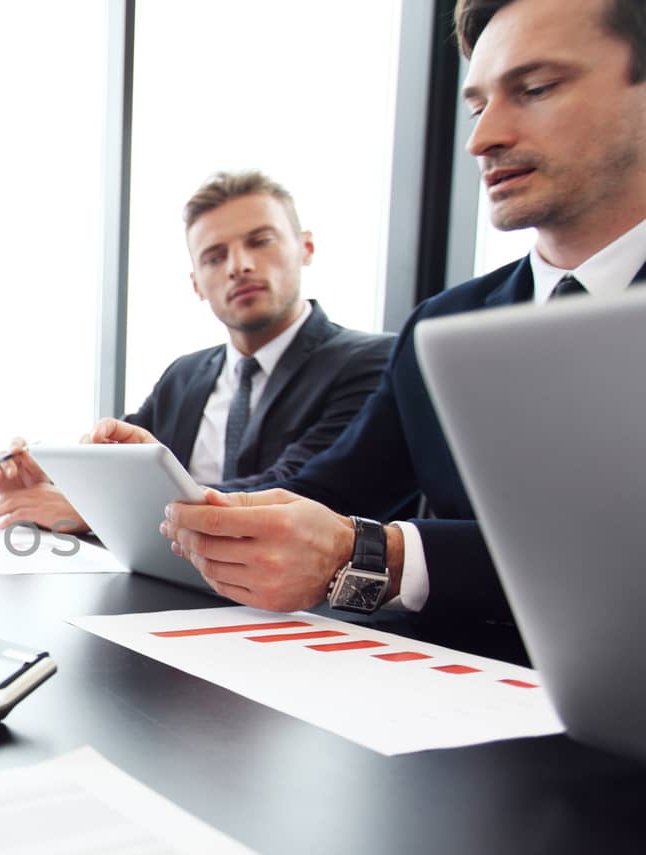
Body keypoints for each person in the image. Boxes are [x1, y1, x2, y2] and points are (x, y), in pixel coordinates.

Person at [160, 0, 646, 647]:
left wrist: (377, 554)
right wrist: (148, 493)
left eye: (534, 89)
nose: (482, 138)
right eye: (477, 107)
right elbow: (328, 487)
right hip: (435, 691)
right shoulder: (445, 324)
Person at [0, 171, 390, 533]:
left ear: (306, 248)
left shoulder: (374, 362)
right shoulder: (185, 375)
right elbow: (117, 468)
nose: (239, 266)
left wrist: (101, 509)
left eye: (260, 241)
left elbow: (302, 488)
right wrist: (47, 485)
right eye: (215, 257)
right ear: (196, 284)